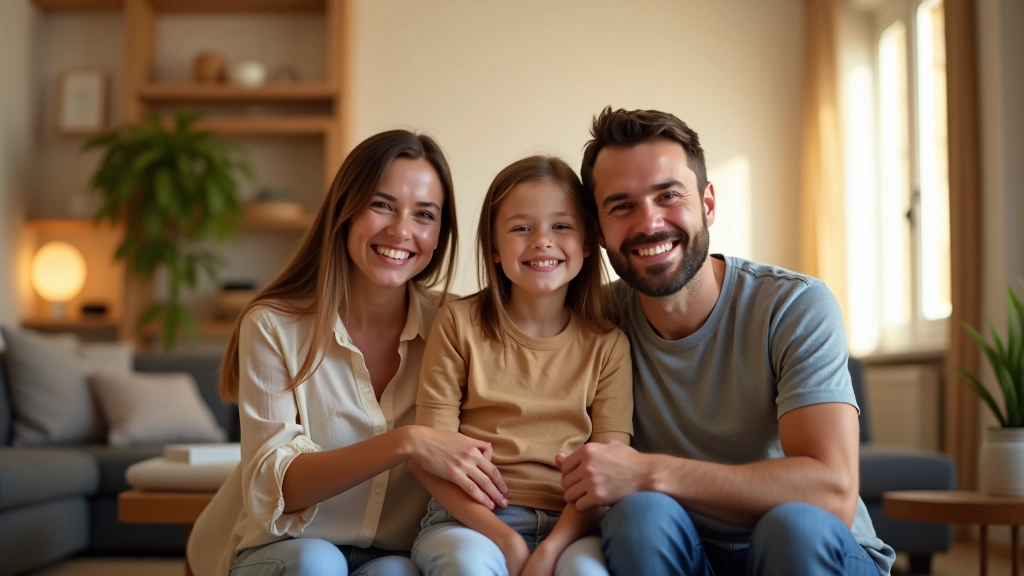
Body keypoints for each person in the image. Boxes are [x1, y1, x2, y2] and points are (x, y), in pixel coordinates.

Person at [556, 108, 897, 576]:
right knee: (639, 516)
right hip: (687, 551)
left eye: (669, 195)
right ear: (598, 230)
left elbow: (831, 493)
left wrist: (647, 473)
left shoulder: (793, 304)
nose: (649, 223)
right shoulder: (596, 319)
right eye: (621, 206)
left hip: (812, 551)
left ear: (708, 203)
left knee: (793, 527)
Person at [187, 130, 510, 576]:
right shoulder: (272, 324)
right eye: (381, 205)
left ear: (440, 234)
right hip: (289, 550)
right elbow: (273, 487)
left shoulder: (458, 324)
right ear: (345, 210)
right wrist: (406, 442)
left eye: (424, 215)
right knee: (316, 563)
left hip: (397, 556)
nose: (401, 230)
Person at [409, 156, 634, 576]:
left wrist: (551, 551)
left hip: (573, 527)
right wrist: (506, 540)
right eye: (521, 228)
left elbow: (609, 470)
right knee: (466, 566)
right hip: (469, 522)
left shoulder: (608, 346)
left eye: (561, 226)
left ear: (588, 242)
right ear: (494, 247)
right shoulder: (459, 324)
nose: (542, 241)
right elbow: (428, 456)